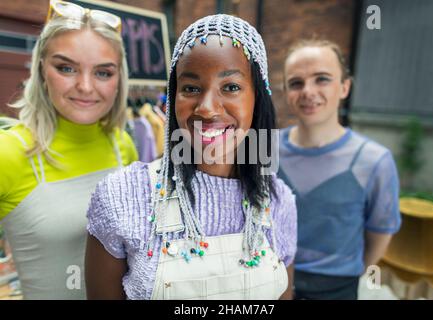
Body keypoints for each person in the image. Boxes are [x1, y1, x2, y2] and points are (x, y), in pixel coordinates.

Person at [85, 14, 297, 300]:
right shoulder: (123, 196)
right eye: (191, 88)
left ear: (257, 98)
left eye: (231, 87)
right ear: (173, 100)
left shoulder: (278, 200)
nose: (207, 108)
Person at [0, 0, 137, 299]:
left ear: (119, 79)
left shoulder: (122, 146)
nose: (86, 86)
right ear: (41, 70)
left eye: (103, 72)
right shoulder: (8, 152)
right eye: (66, 68)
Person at [279, 39, 401, 300]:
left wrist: (350, 272)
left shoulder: (374, 161)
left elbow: (380, 231)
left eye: (322, 79)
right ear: (286, 92)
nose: (308, 91)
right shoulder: (263, 150)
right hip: (270, 282)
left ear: (345, 87)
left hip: (336, 288)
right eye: (296, 83)